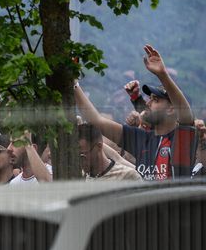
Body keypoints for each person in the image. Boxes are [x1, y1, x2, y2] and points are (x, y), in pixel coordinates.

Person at [73, 45, 197, 181]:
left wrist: (162, 75)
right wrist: (74, 83)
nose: (148, 103)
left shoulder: (180, 139)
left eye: (155, 100)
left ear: (172, 109)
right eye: (149, 99)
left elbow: (185, 115)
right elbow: (96, 120)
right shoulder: (141, 139)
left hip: (173, 203)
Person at [77, 123, 142, 181]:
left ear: (98, 147)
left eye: (82, 155)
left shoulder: (127, 176)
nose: (79, 160)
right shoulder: (79, 177)